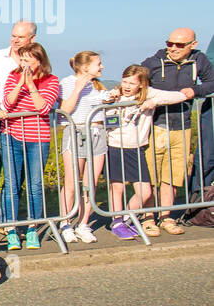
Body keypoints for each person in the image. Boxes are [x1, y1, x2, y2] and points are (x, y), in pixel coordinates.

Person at [140, 28, 214, 235]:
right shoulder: (154, 62)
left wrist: (195, 91)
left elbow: (211, 82)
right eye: (169, 43)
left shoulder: (199, 60)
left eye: (179, 45)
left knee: (173, 176)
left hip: (182, 126)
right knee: (152, 175)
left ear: (193, 45)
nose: (172, 48)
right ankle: (148, 218)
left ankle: (166, 217)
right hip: (155, 126)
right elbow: (136, 78)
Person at [101, 66, 189, 239]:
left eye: (132, 83)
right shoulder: (115, 96)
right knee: (116, 187)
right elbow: (105, 117)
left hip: (136, 147)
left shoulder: (149, 94)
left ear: (141, 84)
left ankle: (126, 218)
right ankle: (117, 221)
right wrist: (111, 103)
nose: (126, 86)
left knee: (145, 191)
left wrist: (156, 102)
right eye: (124, 81)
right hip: (115, 145)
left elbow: (177, 96)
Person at [0, 42, 61, 250]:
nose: (24, 63)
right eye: (22, 59)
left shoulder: (52, 81)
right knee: (12, 185)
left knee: (35, 186)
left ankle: (32, 227)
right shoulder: (12, 76)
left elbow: (43, 108)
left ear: (39, 61)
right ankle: (11, 230)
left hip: (38, 138)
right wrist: (20, 84)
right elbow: (7, 105)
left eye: (28, 60)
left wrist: (32, 86)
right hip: (12, 135)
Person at [0, 21, 38, 237]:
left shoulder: (35, 58)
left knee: (15, 177)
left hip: (19, 123)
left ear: (32, 38)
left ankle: (7, 222)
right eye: (13, 35)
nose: (14, 40)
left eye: (20, 37)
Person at [57, 51, 109, 244]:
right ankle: (65, 223)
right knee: (71, 183)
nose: (102, 67)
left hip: (97, 133)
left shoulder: (98, 85)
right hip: (76, 132)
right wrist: (78, 89)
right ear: (86, 67)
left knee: (90, 183)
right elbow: (65, 111)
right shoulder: (68, 82)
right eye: (99, 64)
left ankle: (83, 223)